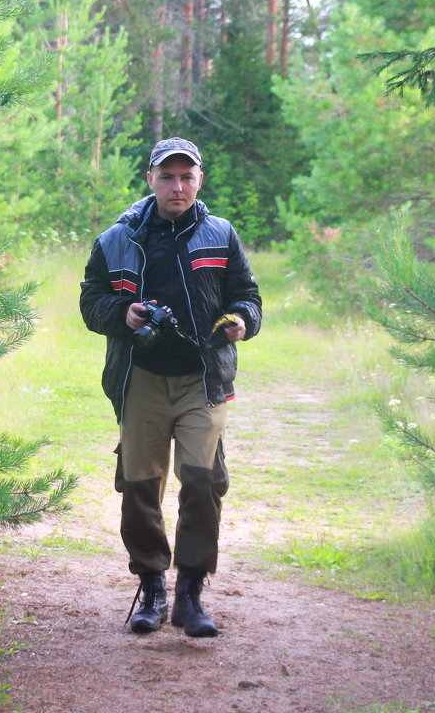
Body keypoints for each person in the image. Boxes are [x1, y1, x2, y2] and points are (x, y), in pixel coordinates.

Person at [79, 136, 262, 637]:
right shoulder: (116, 239)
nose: (177, 186)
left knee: (202, 482)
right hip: (141, 379)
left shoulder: (221, 235)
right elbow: (91, 302)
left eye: (186, 177)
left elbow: (247, 296)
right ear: (151, 180)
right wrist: (123, 313)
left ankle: (190, 594)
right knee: (139, 486)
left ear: (199, 180)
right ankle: (153, 587)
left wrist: (241, 320)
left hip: (203, 379)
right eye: (167, 176)